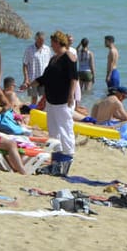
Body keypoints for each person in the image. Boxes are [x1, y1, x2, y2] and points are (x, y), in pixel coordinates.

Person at [37, 31, 79, 168]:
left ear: (57, 42)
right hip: (51, 98)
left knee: (65, 127)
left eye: (52, 42)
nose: (51, 45)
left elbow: (74, 78)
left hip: (63, 99)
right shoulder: (53, 58)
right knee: (53, 128)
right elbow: (46, 78)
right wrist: (30, 84)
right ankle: (57, 154)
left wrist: (70, 96)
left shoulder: (69, 57)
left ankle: (68, 154)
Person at [20, 32, 50, 100]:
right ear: (35, 39)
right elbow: (25, 64)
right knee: (34, 98)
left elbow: (49, 64)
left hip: (44, 78)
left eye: (42, 41)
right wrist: (26, 79)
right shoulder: (29, 49)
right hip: (32, 78)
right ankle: (33, 109)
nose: (41, 42)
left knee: (44, 99)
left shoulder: (47, 49)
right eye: (39, 40)